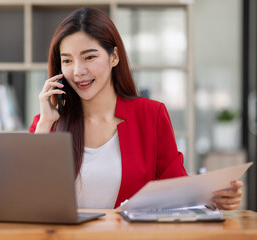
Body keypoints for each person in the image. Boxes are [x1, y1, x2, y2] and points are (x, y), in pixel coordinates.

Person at [29, 7, 243, 210]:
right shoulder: (46, 123)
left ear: (114, 57)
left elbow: (177, 188)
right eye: (67, 60)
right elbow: (28, 195)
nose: (77, 71)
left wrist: (215, 198)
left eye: (89, 57)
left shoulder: (151, 115)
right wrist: (46, 124)